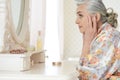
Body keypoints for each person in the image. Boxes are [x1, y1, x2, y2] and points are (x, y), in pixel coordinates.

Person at [75, 0, 120, 80]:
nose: (76, 21)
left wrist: (86, 44)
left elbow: (86, 77)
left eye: (80, 15)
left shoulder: (107, 38)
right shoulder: (103, 36)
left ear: (96, 17)